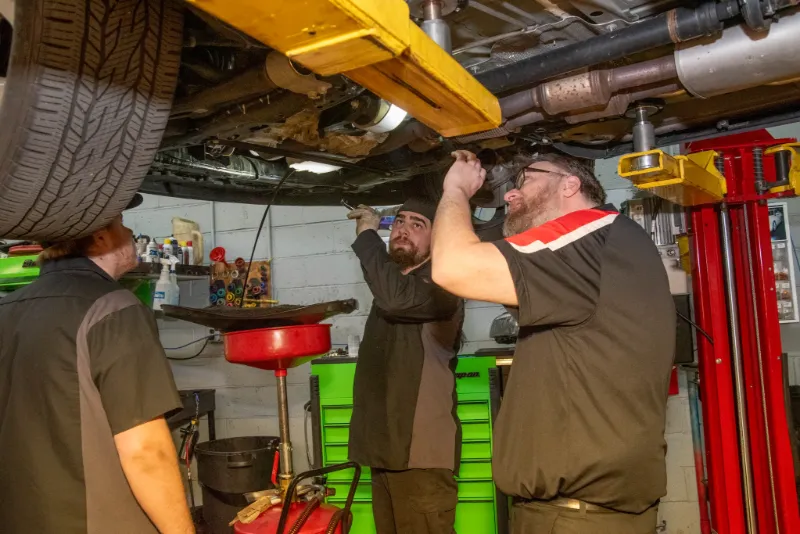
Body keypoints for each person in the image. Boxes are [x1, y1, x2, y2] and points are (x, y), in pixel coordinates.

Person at [431, 151, 675, 533]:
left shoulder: (591, 234)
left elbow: (454, 267)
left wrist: (456, 190)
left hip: (575, 518)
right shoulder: (607, 247)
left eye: (525, 180)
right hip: (581, 513)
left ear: (570, 184)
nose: (510, 195)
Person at [0, 194, 195, 534]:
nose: (130, 231)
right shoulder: (115, 309)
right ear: (101, 236)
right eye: (122, 222)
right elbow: (146, 452)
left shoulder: (7, 309)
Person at [346, 198, 464, 534]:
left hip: (420, 457)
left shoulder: (444, 283)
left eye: (417, 224)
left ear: (436, 238)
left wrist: (367, 236)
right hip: (386, 452)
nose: (403, 230)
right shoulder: (394, 286)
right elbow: (390, 290)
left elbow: (396, 297)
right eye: (400, 222)